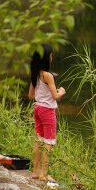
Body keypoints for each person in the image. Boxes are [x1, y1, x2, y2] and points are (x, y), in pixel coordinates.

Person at [28, 44, 66, 181]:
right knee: (49, 142)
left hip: (37, 108)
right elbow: (55, 96)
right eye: (51, 55)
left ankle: (35, 171)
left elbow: (31, 95)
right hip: (47, 111)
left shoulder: (35, 74)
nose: (52, 57)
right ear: (46, 58)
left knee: (38, 140)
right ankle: (44, 174)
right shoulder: (48, 75)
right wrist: (61, 91)